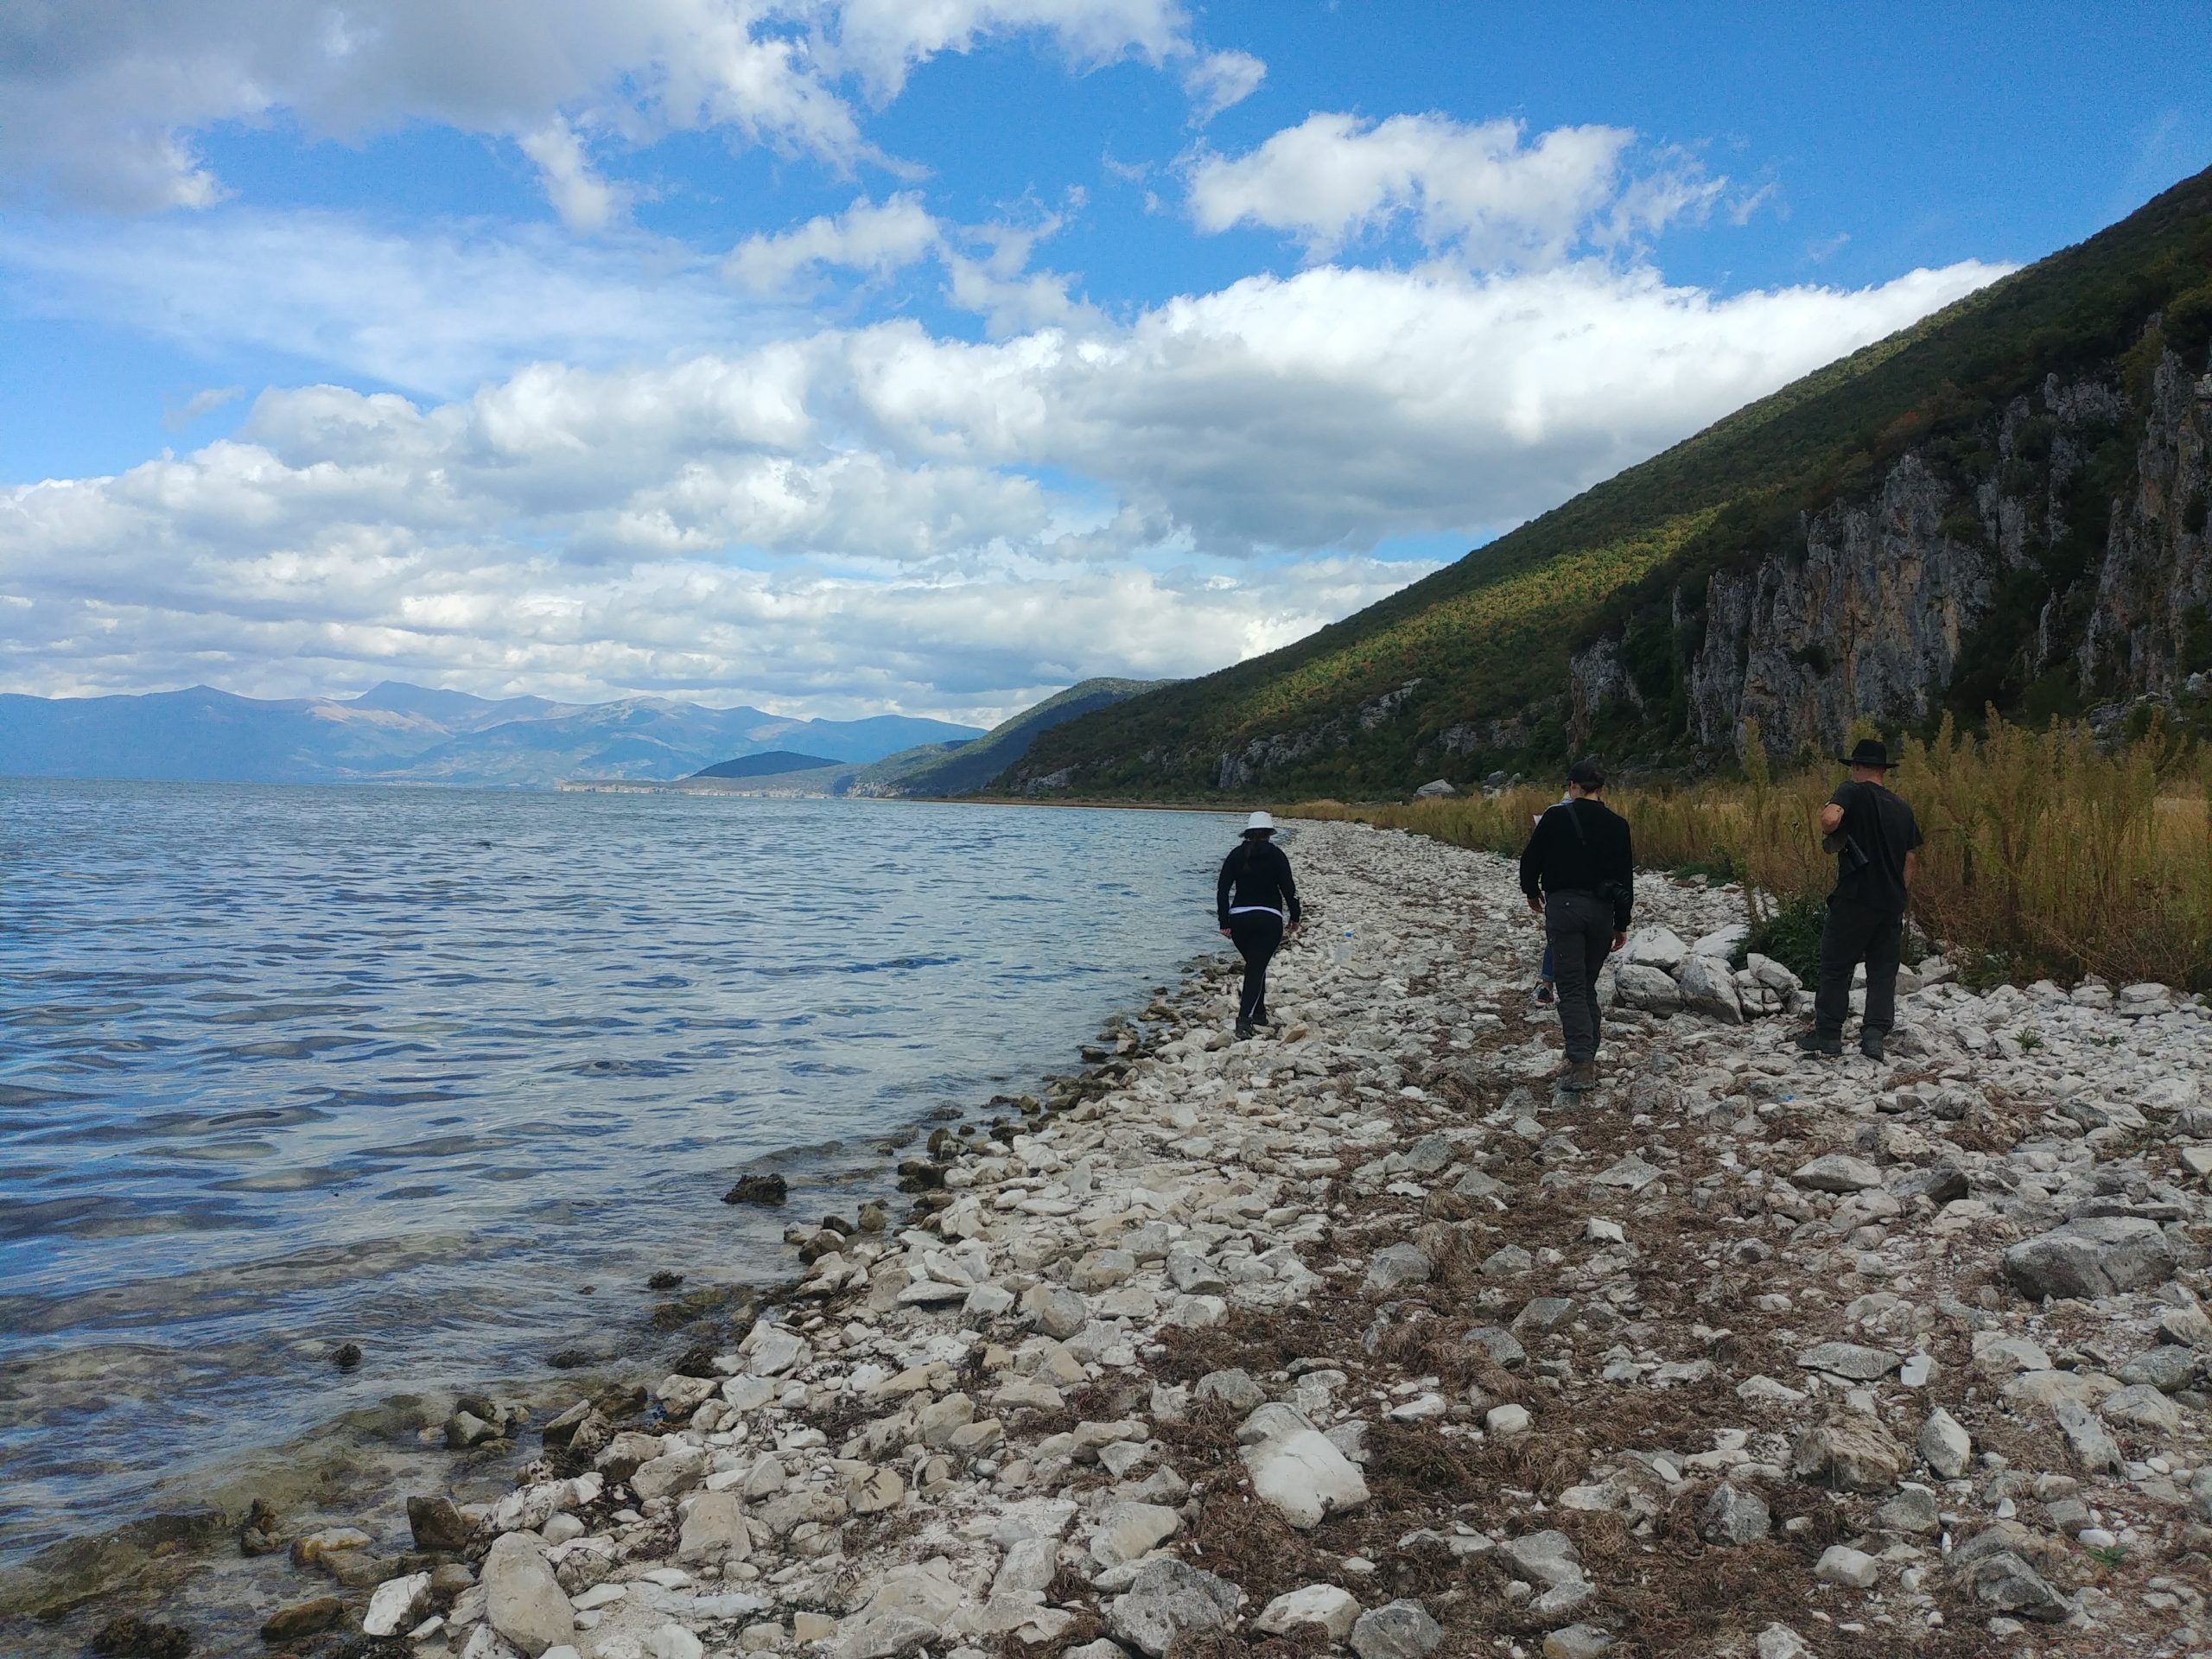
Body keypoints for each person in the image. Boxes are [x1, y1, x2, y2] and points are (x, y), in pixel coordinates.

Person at [1794, 738, 1923, 1061]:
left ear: (1858, 767)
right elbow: (1910, 860)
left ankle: (1828, 1035)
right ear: (1883, 770)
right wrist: (1899, 894)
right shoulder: (1902, 807)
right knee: (1882, 971)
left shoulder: (1851, 790)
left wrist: (1833, 819)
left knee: (1836, 965)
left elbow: (1829, 821)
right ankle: (1875, 1036)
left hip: (1855, 896)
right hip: (1891, 902)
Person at [1519, 759, 1634, 1091]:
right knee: (1586, 985)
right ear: (1600, 789)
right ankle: (1587, 1056)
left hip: (1565, 908)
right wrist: (1621, 922)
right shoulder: (1618, 824)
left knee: (1569, 987)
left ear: (1572, 786)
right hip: (1602, 912)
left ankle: (1582, 1063)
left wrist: (1531, 892)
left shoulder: (1555, 817)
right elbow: (1625, 878)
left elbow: (1531, 860)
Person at [1217, 811, 1300, 1039]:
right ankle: (1244, 1021)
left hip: (1239, 919)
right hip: (1269, 919)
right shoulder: (1277, 855)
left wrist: (1224, 922)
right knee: (1256, 966)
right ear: (1270, 833)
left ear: (1248, 832)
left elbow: (1222, 890)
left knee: (1256, 964)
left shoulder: (1235, 855)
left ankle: (1260, 1013)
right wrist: (1295, 917)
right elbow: (1289, 889)